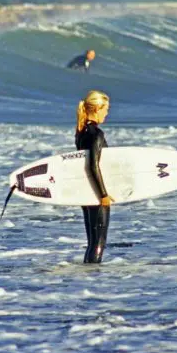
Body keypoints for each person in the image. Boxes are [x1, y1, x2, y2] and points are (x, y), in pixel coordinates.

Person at [75, 90, 113, 263]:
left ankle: (88, 275)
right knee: (98, 242)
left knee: (92, 241)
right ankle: (94, 277)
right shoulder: (96, 134)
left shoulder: (82, 132)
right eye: (106, 109)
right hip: (96, 193)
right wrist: (103, 195)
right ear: (98, 109)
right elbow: (93, 165)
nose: (107, 113)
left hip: (86, 191)